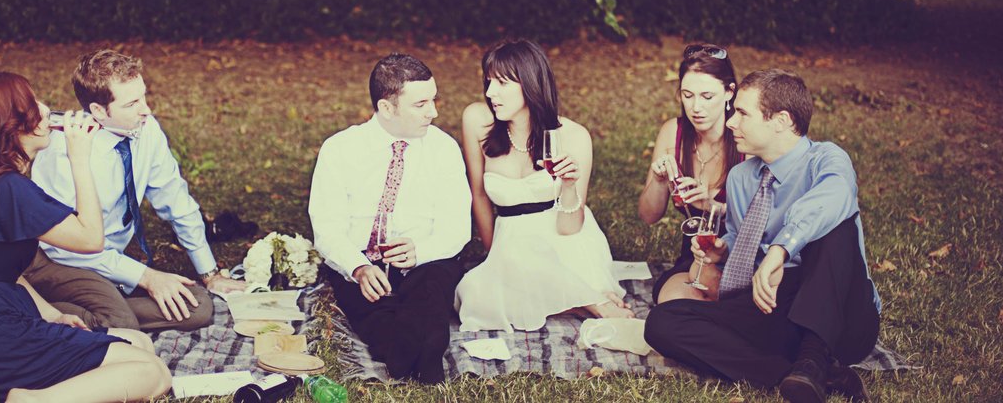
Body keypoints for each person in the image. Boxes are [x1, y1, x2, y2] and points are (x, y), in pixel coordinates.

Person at [645, 70, 881, 403]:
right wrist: (722, 251)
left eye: (741, 113)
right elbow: (743, 243)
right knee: (661, 323)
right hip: (775, 307)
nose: (729, 123)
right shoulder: (742, 178)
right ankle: (810, 375)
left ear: (781, 120)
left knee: (834, 226)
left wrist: (780, 250)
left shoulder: (827, 160)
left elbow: (834, 196)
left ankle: (815, 355)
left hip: (842, 318)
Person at [0, 72, 170, 401]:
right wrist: (79, 158)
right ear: (9, 126)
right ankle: (33, 401)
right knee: (153, 374)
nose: (44, 110)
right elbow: (90, 240)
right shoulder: (7, 188)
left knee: (139, 342)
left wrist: (52, 314)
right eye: (31, 106)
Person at [24, 50, 245, 333]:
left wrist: (209, 273)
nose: (147, 109)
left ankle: (101, 311)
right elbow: (65, 247)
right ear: (99, 111)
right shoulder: (62, 153)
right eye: (132, 103)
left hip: (109, 260)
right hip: (60, 262)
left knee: (198, 306)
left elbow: (174, 198)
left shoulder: (146, 128)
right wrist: (147, 277)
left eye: (143, 96)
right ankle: (45, 311)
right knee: (121, 321)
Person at [308, 53, 472, 383]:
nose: (434, 112)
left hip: (428, 261)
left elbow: (457, 226)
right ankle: (406, 348)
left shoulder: (444, 149)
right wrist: (358, 267)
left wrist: (420, 252)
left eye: (434, 100)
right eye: (421, 104)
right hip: (364, 264)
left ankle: (423, 348)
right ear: (386, 108)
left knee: (430, 299)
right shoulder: (339, 149)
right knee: (378, 320)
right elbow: (326, 227)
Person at [455, 40, 632, 332]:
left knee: (513, 288)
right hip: (510, 239)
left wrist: (569, 185)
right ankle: (588, 302)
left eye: (501, 83)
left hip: (563, 238)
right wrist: (493, 254)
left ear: (530, 83)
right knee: (473, 298)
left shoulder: (573, 136)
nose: (490, 93)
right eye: (488, 82)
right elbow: (479, 196)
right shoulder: (477, 120)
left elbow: (569, 227)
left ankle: (577, 297)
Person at [638, 44, 746, 303]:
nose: (696, 107)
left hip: (739, 255)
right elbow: (649, 216)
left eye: (707, 97)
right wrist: (659, 181)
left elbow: (761, 221)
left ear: (729, 92)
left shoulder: (744, 139)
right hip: (694, 257)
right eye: (688, 95)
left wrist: (714, 206)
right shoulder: (672, 133)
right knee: (670, 303)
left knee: (724, 301)